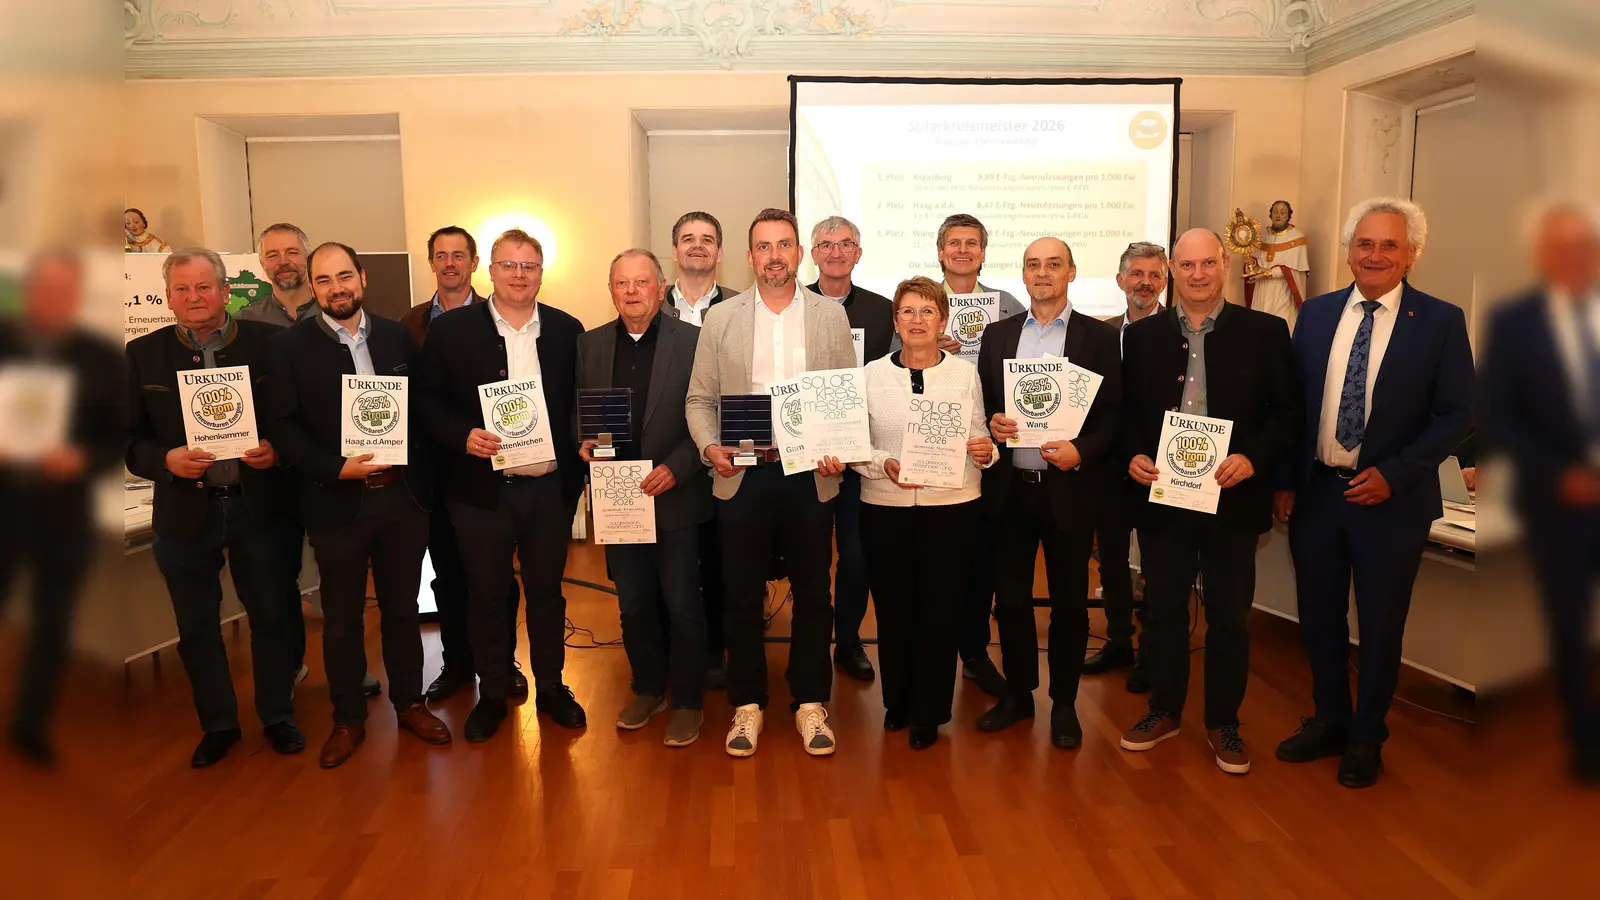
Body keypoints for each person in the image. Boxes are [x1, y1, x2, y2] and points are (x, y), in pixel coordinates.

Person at [1274, 197, 1474, 788]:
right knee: (1319, 618)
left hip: (1392, 501)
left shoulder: (1440, 321)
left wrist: (1398, 471)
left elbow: (1458, 413)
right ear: (1349, 251)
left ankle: (1367, 736)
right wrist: (1285, 480)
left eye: (1390, 245)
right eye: (1365, 243)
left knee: (1382, 625)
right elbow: (1293, 407)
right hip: (1317, 496)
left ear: (1411, 255)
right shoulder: (1316, 315)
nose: (1375, 254)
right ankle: (1330, 720)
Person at [262, 242, 451, 767]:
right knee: (342, 619)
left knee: (402, 611)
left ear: (362, 278)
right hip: (336, 502)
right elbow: (281, 426)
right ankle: (348, 718)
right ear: (311, 286)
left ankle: (409, 704)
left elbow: (421, 409)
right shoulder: (289, 347)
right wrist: (334, 466)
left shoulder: (398, 336)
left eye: (344, 276)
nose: (336, 287)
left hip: (401, 501)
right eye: (324, 280)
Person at [1118, 229, 1297, 775]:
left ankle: (1224, 722)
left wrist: (1253, 460)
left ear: (1225, 265)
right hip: (1163, 500)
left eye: (1208, 264)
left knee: (1229, 617)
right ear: (1172, 268)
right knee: (1165, 610)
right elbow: (1125, 412)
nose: (1197, 275)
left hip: (1231, 498)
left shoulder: (1266, 331)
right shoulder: (1144, 337)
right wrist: (1131, 455)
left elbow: (1287, 413)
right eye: (1187, 265)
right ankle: (1164, 710)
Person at [685, 208, 856, 758]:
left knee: (813, 592)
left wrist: (841, 449)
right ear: (750, 255)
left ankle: (810, 701)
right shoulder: (721, 318)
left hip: (810, 475)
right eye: (764, 246)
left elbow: (844, 397)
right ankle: (747, 704)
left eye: (784, 245)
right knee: (739, 592)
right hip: (743, 476)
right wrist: (711, 449)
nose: (775, 256)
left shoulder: (830, 317)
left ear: (799, 254)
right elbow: (698, 400)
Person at [125, 247, 302, 768]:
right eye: (182, 289)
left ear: (226, 291)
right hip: (185, 512)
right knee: (197, 627)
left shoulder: (272, 344)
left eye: (205, 287)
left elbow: (294, 418)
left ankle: (277, 715)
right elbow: (126, 438)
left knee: (271, 615)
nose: (194, 298)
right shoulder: (142, 355)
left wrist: (277, 450)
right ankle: (219, 724)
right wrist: (165, 460)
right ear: (168, 297)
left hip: (259, 506)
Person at [416, 228, 587, 742]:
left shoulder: (566, 330)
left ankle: (553, 687)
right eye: (508, 265)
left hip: (547, 490)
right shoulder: (451, 332)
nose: (519, 274)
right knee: (486, 595)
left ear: (541, 272)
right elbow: (425, 402)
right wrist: (460, 435)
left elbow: (580, 403)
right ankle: (492, 692)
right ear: (489, 270)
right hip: (479, 493)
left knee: (546, 593)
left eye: (528, 265)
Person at [976, 237, 1121, 749]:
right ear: (1023, 274)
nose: (1043, 274)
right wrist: (993, 424)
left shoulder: (1098, 339)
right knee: (1011, 601)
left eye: (1053, 265)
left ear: (1072, 272)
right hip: (1010, 491)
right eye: (1033, 265)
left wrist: (1081, 450)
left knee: (1069, 606)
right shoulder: (997, 336)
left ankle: (1063, 703)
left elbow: (1111, 417)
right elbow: (987, 410)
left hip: (1070, 490)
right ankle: (1018, 694)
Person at [1479, 201, 1600, 782]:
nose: (1575, 257)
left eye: (1585, 245)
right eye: (1562, 247)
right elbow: (1497, 416)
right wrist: (1560, 474)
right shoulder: (1514, 321)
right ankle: (1585, 745)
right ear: (1542, 256)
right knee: (1570, 629)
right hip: (1560, 507)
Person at [236, 222, 379, 698]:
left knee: (337, 591)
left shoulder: (370, 329)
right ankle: (291, 671)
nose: (284, 262)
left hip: (340, 482)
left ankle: (350, 675)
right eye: (272, 254)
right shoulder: (249, 324)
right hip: (275, 476)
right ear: (262, 265)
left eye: (292, 252)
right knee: (280, 583)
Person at [577, 249, 711, 747]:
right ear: (610, 290)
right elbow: (579, 411)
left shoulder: (695, 342)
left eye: (641, 282)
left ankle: (690, 701)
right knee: (633, 606)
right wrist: (583, 441)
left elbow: (708, 413)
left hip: (675, 493)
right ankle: (649, 688)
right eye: (621, 283)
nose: (632, 292)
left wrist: (677, 468)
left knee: (681, 604)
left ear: (660, 287)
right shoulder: (589, 345)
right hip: (618, 501)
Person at [855, 275, 995, 749]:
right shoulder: (872, 374)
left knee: (941, 611)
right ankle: (897, 703)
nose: (917, 320)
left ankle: (929, 714)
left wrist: (987, 452)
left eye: (927, 311)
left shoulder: (963, 373)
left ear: (944, 320)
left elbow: (982, 438)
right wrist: (883, 464)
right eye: (908, 312)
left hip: (951, 508)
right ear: (895, 321)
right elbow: (856, 448)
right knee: (893, 610)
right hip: (886, 507)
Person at [0, 252, 123, 765]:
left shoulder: (101, 356)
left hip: (64, 513)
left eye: (65, 291)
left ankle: (31, 725)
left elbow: (118, 437)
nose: (55, 300)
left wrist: (83, 459)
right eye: (46, 289)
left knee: (53, 625)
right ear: (28, 292)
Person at [398, 225, 521, 703]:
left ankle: (503, 662)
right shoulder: (405, 326)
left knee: (495, 580)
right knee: (447, 574)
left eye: (458, 255)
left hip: (496, 474)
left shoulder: (501, 316)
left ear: (475, 264)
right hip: (435, 475)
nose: (449, 263)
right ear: (431, 263)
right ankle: (456, 664)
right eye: (440, 256)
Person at [934, 212, 1023, 699]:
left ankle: (973, 651)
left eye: (972, 243)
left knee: (980, 558)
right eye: (954, 243)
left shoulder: (1008, 305)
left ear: (984, 252)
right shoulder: (921, 304)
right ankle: (929, 647)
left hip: (989, 448)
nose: (963, 250)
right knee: (936, 555)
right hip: (931, 449)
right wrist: (930, 349)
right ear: (941, 252)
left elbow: (1022, 373)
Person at [806, 215, 895, 684]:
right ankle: (812, 641)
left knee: (858, 556)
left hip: (865, 457)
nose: (836, 252)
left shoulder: (886, 312)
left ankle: (848, 639)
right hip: (810, 457)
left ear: (859, 253)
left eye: (846, 245)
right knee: (813, 556)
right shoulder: (790, 305)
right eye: (826, 244)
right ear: (813, 253)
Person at [1083, 241, 1168, 692]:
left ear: (1165, 281)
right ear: (1120, 281)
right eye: (1137, 274)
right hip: (1109, 468)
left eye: (1155, 275)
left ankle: (1153, 654)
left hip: (1161, 469)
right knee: (1111, 561)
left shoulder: (1179, 332)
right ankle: (1119, 641)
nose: (1145, 282)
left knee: (1157, 562)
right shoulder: (1101, 334)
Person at [666, 210, 736, 690]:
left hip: (722, 459)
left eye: (707, 239)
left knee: (719, 561)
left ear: (720, 251)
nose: (697, 246)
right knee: (668, 567)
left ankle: (714, 651)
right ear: (675, 249)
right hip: (665, 459)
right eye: (688, 239)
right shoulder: (650, 304)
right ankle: (668, 652)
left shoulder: (739, 306)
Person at [1245, 201, 1310, 332]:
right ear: (1270, 214)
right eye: (1275, 211)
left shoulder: (1297, 237)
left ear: (1288, 216)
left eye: (1282, 212)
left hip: (1282, 289)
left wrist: (1264, 274)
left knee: (1280, 324)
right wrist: (1250, 265)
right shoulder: (1264, 238)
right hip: (1262, 289)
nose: (1278, 215)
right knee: (1260, 324)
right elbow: (1258, 264)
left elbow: (1293, 269)